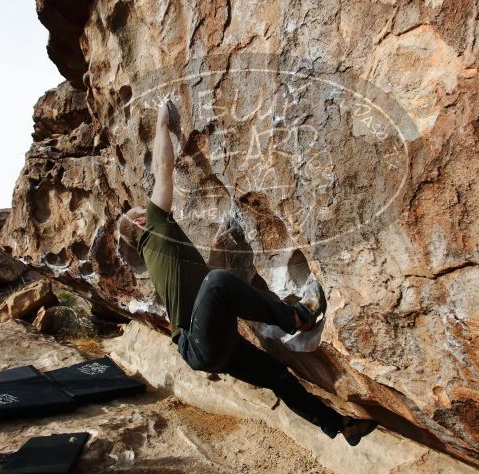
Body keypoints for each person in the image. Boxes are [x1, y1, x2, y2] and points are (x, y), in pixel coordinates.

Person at [119, 100, 377, 446]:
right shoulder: (154, 228)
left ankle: (339, 426)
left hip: (212, 346)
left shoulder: (157, 250)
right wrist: (162, 122)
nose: (150, 203)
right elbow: (163, 167)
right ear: (140, 221)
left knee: (277, 376)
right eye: (143, 206)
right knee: (218, 282)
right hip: (198, 343)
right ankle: (298, 317)